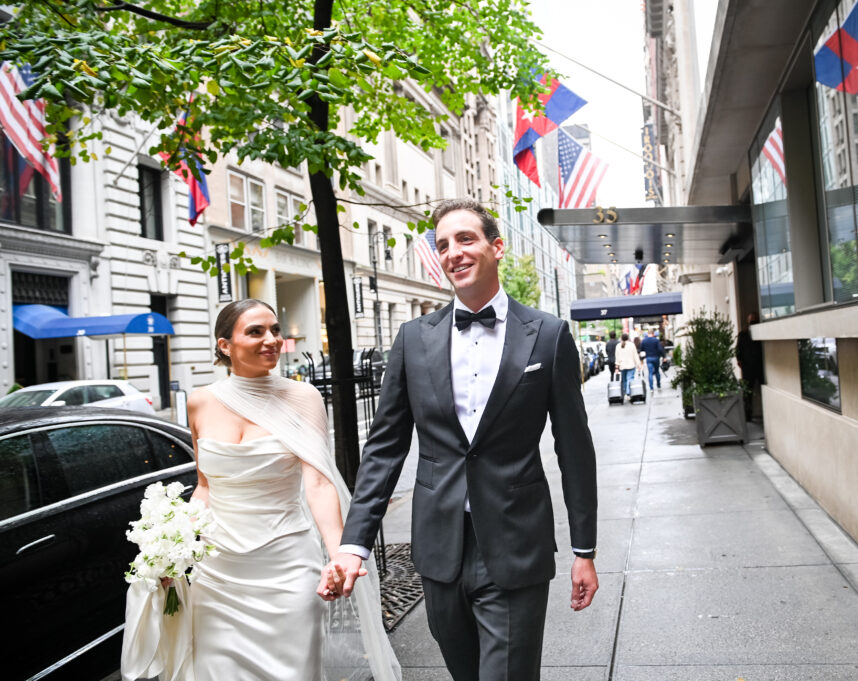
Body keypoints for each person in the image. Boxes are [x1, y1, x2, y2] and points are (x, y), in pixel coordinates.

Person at [326, 198, 599, 681]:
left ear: (496, 247)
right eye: (443, 244)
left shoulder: (548, 335)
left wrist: (584, 550)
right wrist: (354, 543)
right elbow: (385, 448)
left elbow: (574, 448)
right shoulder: (413, 339)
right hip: (438, 550)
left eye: (466, 239)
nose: (453, 252)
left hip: (516, 544)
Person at [130, 299, 400, 681]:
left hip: (287, 567)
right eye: (255, 332)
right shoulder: (200, 402)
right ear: (225, 345)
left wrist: (340, 555)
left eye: (274, 329)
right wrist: (171, 549)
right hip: (218, 573)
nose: (272, 339)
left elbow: (320, 484)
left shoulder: (302, 398)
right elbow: (205, 486)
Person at [735, 312, 764, 421]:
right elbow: (738, 350)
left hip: (759, 366)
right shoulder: (743, 334)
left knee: (760, 391)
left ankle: (761, 413)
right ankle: (747, 415)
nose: (752, 323)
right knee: (747, 393)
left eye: (754, 320)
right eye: (752, 321)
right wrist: (740, 361)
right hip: (748, 367)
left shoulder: (757, 333)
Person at [615, 332, 642, 400]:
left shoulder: (618, 346)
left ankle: (625, 393)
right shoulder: (632, 345)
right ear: (628, 338)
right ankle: (628, 393)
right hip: (631, 365)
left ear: (621, 338)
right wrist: (638, 364)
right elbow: (635, 355)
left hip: (622, 366)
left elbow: (617, 357)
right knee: (630, 379)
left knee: (624, 380)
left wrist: (617, 367)